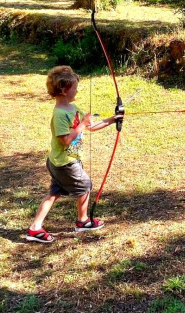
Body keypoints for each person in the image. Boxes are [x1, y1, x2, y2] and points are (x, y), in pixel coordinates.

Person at [26, 65, 122, 243]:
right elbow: (66, 140)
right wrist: (82, 125)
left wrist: (111, 120)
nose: (77, 90)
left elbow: (90, 126)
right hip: (65, 163)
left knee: (54, 193)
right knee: (85, 185)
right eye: (75, 87)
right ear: (64, 90)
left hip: (62, 161)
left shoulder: (73, 108)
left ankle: (35, 228)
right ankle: (83, 221)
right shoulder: (59, 115)